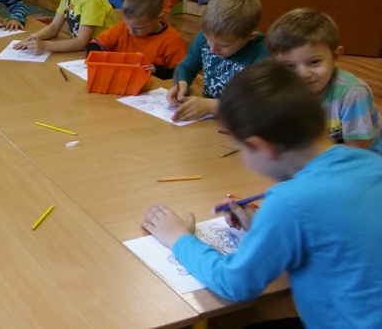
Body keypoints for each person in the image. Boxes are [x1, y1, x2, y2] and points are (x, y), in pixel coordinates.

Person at [141, 60, 382, 329]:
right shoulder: (371, 162)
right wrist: (262, 226)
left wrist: (178, 238)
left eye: (241, 149)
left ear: (261, 147)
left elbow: (234, 283)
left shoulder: (288, 202)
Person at [266, 8, 382, 154]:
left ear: (336, 55)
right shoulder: (280, 87)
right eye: (289, 66)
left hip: (367, 155)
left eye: (314, 62)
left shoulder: (353, 93)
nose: (303, 74)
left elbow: (358, 150)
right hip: (322, 148)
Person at [166, 0, 268, 121]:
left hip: (240, 123)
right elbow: (186, 67)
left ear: (250, 36)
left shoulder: (263, 55)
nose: (213, 49)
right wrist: (182, 83)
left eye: (223, 45)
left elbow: (258, 105)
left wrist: (211, 106)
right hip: (209, 118)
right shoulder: (209, 35)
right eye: (208, 39)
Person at [87, 0, 185, 80]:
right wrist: (100, 59)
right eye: (127, 24)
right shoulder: (122, 27)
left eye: (139, 28)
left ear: (158, 18)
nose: (131, 31)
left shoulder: (172, 40)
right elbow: (94, 44)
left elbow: (181, 74)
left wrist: (156, 70)